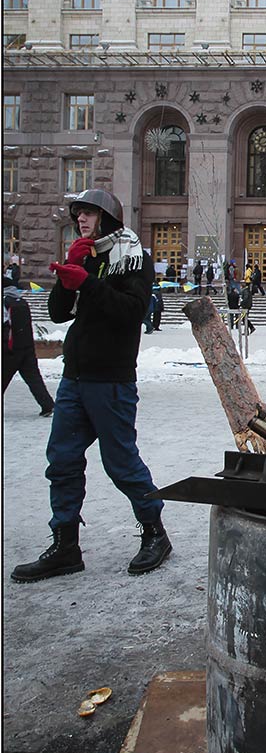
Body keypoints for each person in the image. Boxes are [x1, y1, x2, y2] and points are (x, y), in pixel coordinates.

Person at [11, 189, 172, 583]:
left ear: (109, 218)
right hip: (75, 378)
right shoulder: (87, 255)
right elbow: (58, 312)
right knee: (62, 461)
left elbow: (132, 312)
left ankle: (155, 532)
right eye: (78, 213)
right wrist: (71, 274)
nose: (81, 219)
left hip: (111, 380)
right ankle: (65, 546)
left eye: (89, 213)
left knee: (121, 464)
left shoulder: (132, 258)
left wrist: (88, 283)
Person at [2, 279, 55, 416]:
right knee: (34, 379)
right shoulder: (22, 302)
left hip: (10, 349)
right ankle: (48, 405)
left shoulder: (5, 302)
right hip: (27, 347)